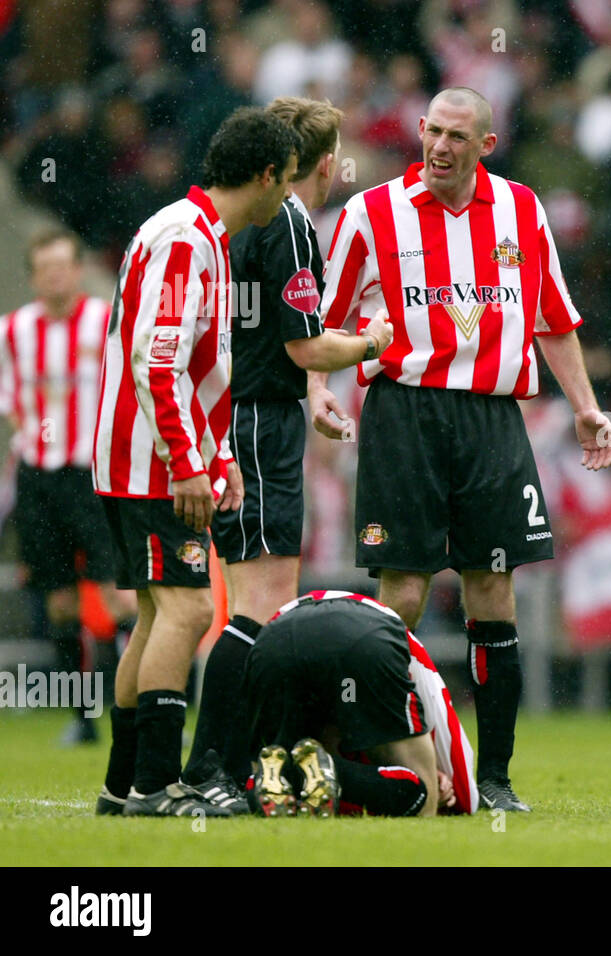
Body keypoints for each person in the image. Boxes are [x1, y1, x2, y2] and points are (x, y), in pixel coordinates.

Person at [316, 87, 611, 813]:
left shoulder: (521, 209)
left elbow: (553, 318)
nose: (440, 148)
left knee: (493, 593)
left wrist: (585, 408)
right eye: (433, 132)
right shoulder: (370, 213)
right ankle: (367, 758)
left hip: (491, 420)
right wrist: (318, 389)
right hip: (403, 415)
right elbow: (321, 319)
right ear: (419, 131)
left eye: (458, 137)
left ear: (485, 145)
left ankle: (497, 778)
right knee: (405, 595)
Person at [91, 107, 301, 818]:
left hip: (140, 457)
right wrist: (187, 463)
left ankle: (122, 786)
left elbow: (189, 366)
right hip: (152, 464)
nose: (288, 197)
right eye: (288, 179)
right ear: (267, 174)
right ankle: (156, 784)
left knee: (156, 617)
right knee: (190, 609)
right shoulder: (187, 238)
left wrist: (216, 455)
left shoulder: (190, 229)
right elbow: (159, 364)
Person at [190, 97, 393, 789]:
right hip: (257, 422)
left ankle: (234, 761)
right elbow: (304, 343)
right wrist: (371, 341)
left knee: (256, 602)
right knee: (258, 604)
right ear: (328, 164)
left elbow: (269, 331)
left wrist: (311, 391)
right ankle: (213, 765)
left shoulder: (239, 217)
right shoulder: (293, 221)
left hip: (239, 409)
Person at [0, 230, 137, 745]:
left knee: (117, 595)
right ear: (33, 276)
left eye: (62, 265)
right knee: (59, 603)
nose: (54, 276)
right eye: (45, 268)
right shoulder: (12, 331)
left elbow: (127, 381)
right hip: (39, 477)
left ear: (78, 271)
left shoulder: (105, 322)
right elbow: (9, 396)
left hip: (93, 474)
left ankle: (141, 703)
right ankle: (83, 718)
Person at [240, 590, 477, 817]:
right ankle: (326, 773)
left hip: (273, 642)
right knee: (421, 794)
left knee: (279, 759)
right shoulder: (408, 653)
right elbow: (462, 788)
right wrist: (440, 783)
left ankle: (278, 778)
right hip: (364, 638)